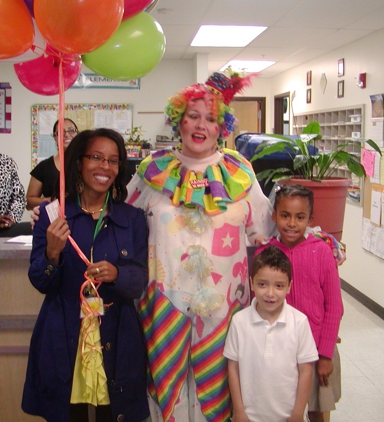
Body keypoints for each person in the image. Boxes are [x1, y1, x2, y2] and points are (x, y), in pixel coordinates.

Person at [126, 72, 276, 422]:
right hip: (163, 303)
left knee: (221, 390)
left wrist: (314, 240)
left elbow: (267, 230)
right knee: (166, 391)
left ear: (222, 128)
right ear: (178, 119)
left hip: (225, 306)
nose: (200, 125)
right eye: (193, 115)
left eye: (210, 119)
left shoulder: (240, 171)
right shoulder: (153, 170)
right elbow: (123, 221)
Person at [22, 128, 150, 422]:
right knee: (68, 413)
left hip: (117, 337)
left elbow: (140, 282)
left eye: (113, 160)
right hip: (64, 335)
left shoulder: (131, 219)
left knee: (114, 413)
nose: (105, 167)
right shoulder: (53, 216)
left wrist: (117, 274)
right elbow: (41, 281)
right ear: (79, 162)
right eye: (96, 157)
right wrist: (52, 253)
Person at [255, 184, 344, 422]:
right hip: (280, 351)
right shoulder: (265, 254)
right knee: (283, 411)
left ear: (310, 219)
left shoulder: (322, 252)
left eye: (300, 217)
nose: (292, 223)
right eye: (285, 216)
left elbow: (335, 307)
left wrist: (325, 354)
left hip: (316, 350)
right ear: (274, 216)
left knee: (316, 410)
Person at [224, 245, 318, 422]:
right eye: (262, 284)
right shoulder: (239, 321)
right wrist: (239, 412)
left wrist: (298, 414)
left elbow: (306, 371)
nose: (270, 293)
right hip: (249, 418)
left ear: (289, 286)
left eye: (279, 286)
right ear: (251, 283)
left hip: (289, 417)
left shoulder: (299, 322)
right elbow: (233, 368)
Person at [26, 118, 78, 210]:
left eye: (71, 130)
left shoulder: (87, 164)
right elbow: (28, 203)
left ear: (77, 134)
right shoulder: (44, 167)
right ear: (54, 137)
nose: (66, 135)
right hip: (53, 221)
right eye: (61, 132)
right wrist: (52, 200)